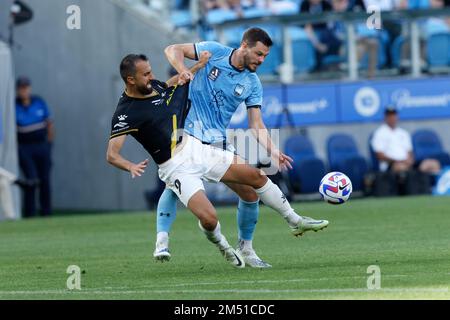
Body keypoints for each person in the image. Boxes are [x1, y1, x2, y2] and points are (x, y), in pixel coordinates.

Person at [107, 53, 329, 268]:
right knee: (210, 220)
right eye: (146, 74)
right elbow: (112, 154)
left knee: (256, 176)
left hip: (196, 148)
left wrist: (193, 68)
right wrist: (130, 166)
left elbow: (169, 85)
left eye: (150, 71)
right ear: (130, 79)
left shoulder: (152, 85)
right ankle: (222, 246)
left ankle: (294, 220)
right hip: (175, 167)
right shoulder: (125, 113)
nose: (151, 76)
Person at [371, 106, 440, 194]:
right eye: (390, 116)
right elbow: (379, 155)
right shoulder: (379, 133)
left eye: (394, 115)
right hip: (391, 165)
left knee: (433, 164)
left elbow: (409, 152)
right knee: (400, 167)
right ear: (385, 117)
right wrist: (399, 161)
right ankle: (409, 192)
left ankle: (436, 190)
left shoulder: (403, 133)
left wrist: (410, 161)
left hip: (407, 163)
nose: (392, 118)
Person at [15, 77, 54, 218]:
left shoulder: (38, 101)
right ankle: (30, 214)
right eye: (21, 88)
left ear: (29, 88)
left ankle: (46, 212)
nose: (24, 90)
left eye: (26, 87)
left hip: (41, 146)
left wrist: (49, 145)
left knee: (45, 179)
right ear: (18, 89)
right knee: (31, 179)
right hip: (25, 147)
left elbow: (49, 124)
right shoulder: (15, 105)